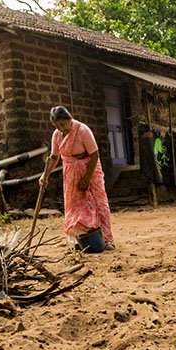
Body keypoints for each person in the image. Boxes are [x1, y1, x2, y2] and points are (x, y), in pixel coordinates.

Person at [39, 106, 114, 251]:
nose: (61, 128)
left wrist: (86, 178)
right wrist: (45, 175)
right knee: (75, 206)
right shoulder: (56, 135)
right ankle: (80, 239)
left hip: (90, 169)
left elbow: (94, 155)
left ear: (70, 119)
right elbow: (54, 157)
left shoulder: (82, 130)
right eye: (57, 126)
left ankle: (107, 239)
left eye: (63, 124)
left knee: (99, 202)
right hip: (70, 172)